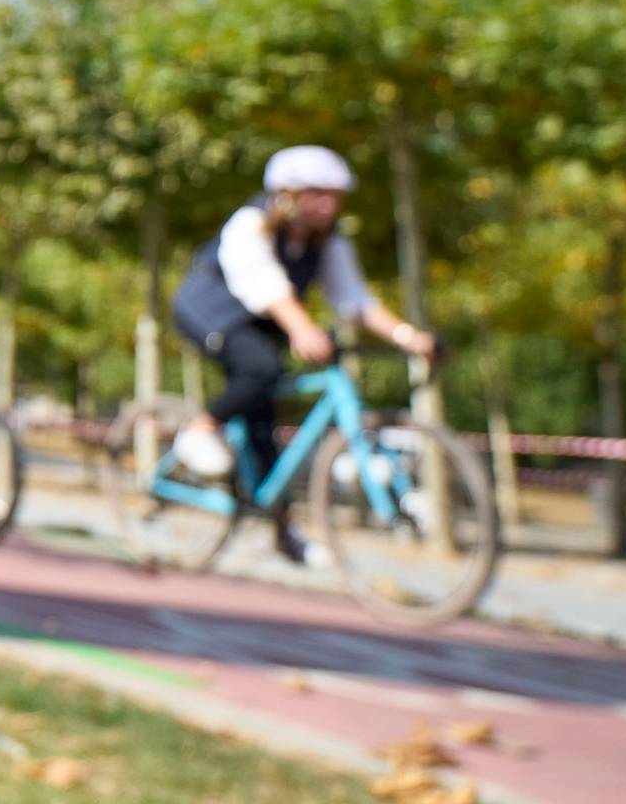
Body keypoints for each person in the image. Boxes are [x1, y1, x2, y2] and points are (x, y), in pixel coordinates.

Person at [168, 145, 437, 565]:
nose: (329, 205)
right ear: (288, 194)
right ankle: (199, 431)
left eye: (334, 196)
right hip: (211, 310)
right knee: (261, 368)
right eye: (318, 194)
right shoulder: (250, 223)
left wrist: (409, 337)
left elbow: (354, 299)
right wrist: (300, 327)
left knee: (265, 419)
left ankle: (282, 530)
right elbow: (263, 284)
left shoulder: (327, 242)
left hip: (263, 323)